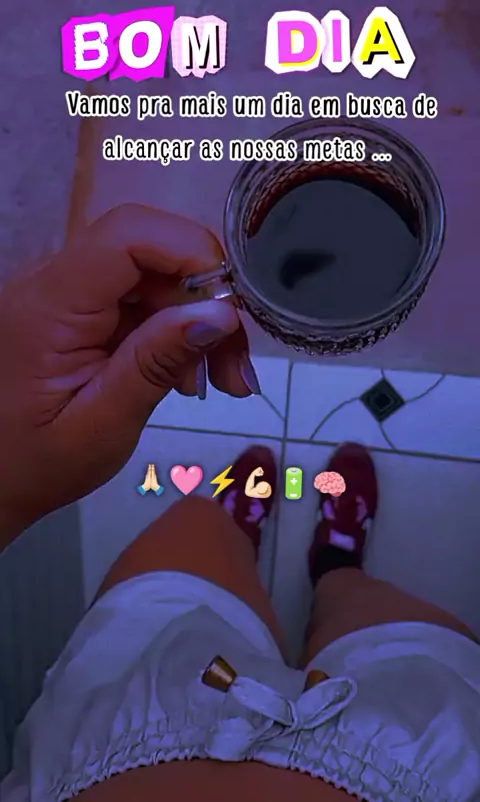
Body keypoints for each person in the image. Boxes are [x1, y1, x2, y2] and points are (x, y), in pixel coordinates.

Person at [1, 203, 480, 802]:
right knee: (370, 612)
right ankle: (336, 563)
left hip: (124, 734)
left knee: (195, 524)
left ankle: (238, 525)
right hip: (417, 764)